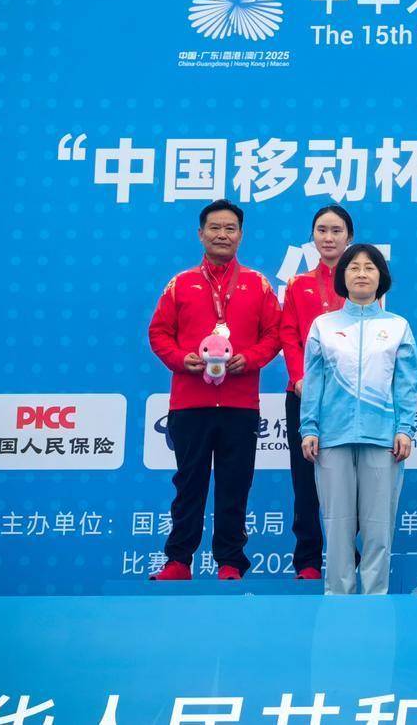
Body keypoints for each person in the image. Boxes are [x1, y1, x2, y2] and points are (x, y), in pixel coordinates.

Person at [146, 199, 282, 581]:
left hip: (240, 405)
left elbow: (275, 334)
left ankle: (230, 562)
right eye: (215, 228)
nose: (222, 234)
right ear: (200, 234)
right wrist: (180, 359)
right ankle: (178, 561)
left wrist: (249, 359)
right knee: (188, 484)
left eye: (230, 228)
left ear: (241, 235)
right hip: (190, 402)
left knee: (235, 485)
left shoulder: (258, 284)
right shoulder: (180, 284)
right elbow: (158, 333)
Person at [300, 244, 417, 596]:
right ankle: (338, 598)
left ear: (381, 277)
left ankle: (374, 598)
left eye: (370, 267)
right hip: (332, 437)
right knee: (337, 526)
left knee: (378, 527)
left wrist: (404, 429)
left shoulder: (397, 327)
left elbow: (405, 383)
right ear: (343, 276)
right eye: (354, 267)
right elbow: (314, 381)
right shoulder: (324, 326)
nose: (362, 273)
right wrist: (309, 427)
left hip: (382, 439)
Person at [279, 204, 354, 581]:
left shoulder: (362, 283)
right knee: (305, 479)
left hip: (350, 398)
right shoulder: (298, 284)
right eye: (322, 230)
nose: (328, 237)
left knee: (349, 480)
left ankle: (348, 556)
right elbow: (288, 333)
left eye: (336, 231)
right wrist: (299, 378)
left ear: (349, 238)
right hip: (304, 395)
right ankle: (307, 560)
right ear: (312, 236)